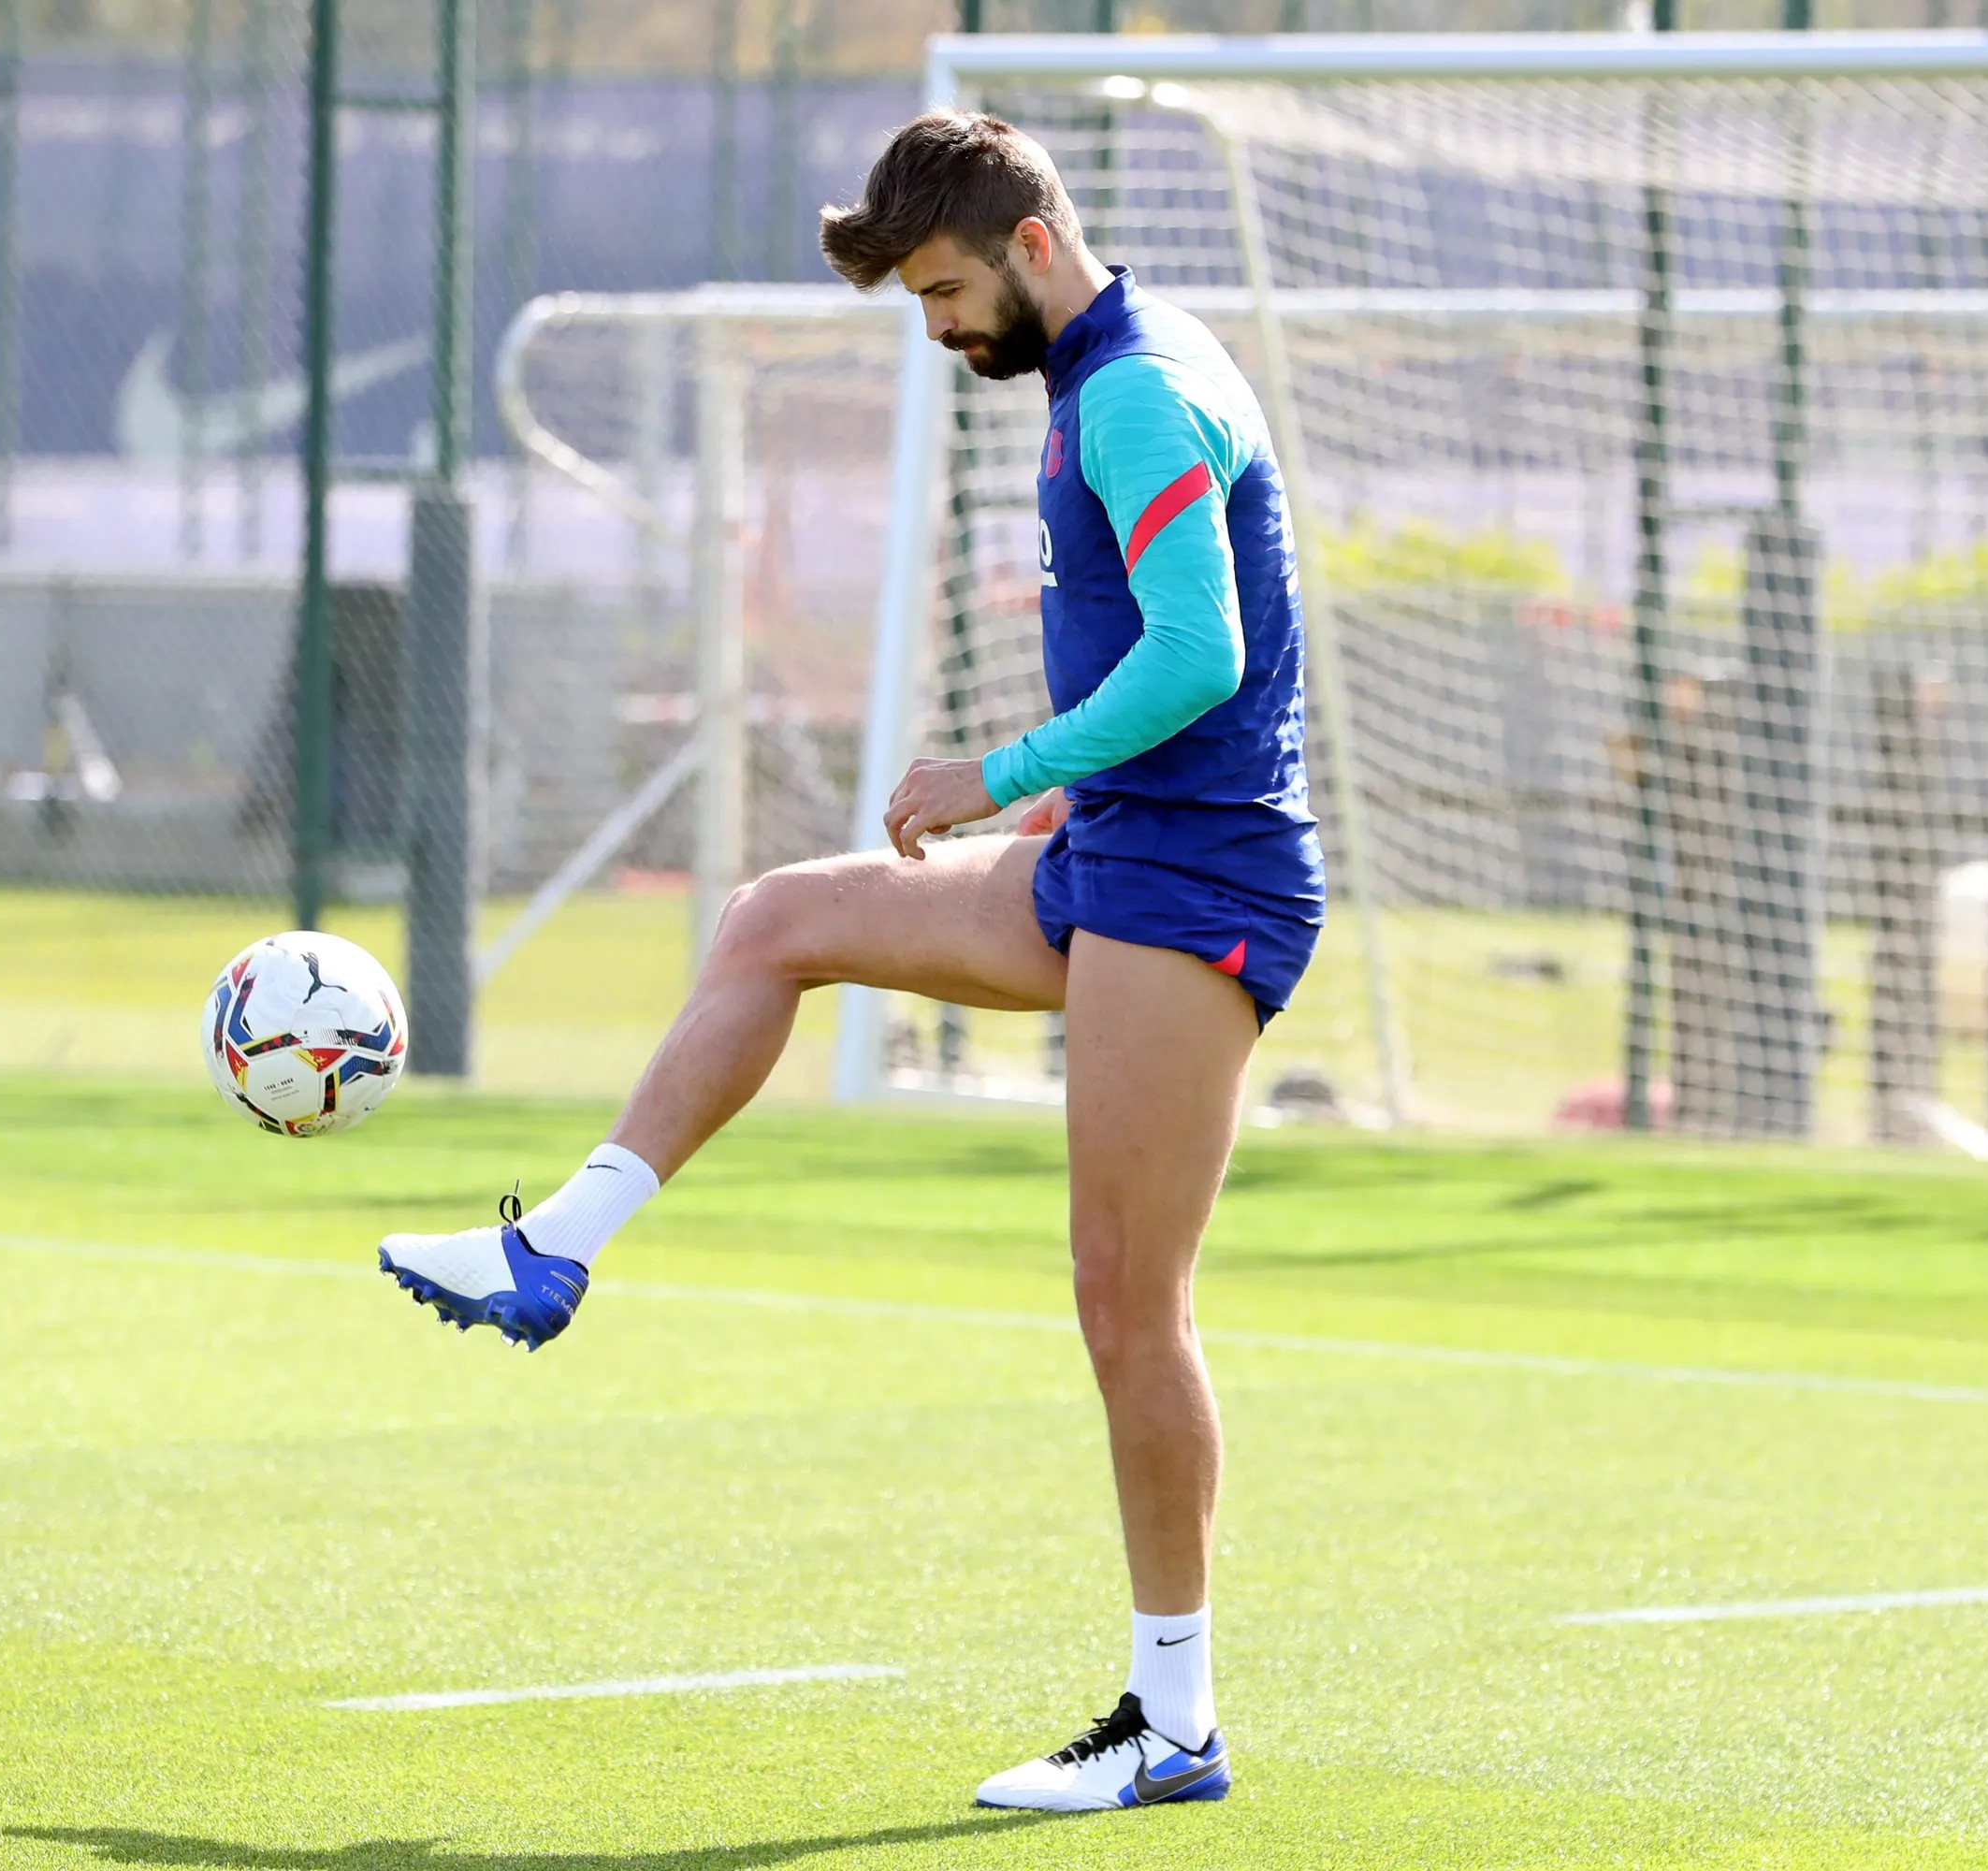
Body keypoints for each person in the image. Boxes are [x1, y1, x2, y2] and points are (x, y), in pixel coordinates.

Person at [377, 109, 1320, 1815]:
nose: (940, 327)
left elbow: (1204, 652)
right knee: (777, 920)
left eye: (949, 290)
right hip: (1112, 854)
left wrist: (1000, 776)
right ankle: (559, 1249)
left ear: (1032, 248)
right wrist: (1054, 818)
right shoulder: (1091, 376)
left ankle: (1175, 1723)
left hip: (1195, 884)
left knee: (1129, 1306)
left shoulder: (1134, 388)